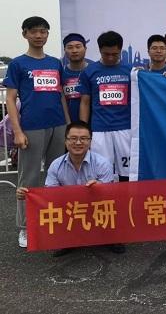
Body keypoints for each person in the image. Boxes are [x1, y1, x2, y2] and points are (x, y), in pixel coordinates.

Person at [5, 16, 70, 248]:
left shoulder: (55, 63)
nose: (39, 35)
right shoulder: (18, 64)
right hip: (32, 127)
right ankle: (25, 227)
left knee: (58, 176)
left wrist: (69, 126)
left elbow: (61, 95)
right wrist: (17, 131)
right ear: (25, 34)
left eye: (43, 31)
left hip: (58, 125)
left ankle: (56, 221)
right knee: (29, 178)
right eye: (34, 31)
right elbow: (10, 99)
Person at [16, 121, 124, 255]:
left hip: (97, 208)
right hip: (72, 210)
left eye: (83, 139)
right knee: (54, 210)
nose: (78, 142)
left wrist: (101, 188)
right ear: (65, 141)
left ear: (90, 142)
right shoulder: (56, 165)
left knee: (114, 206)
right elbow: (50, 195)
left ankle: (111, 238)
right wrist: (29, 195)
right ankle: (68, 240)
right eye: (73, 138)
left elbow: (112, 194)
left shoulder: (102, 163)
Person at [79, 31, 133, 182]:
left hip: (125, 128)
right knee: (102, 173)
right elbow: (85, 102)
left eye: (114, 54)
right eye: (106, 54)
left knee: (128, 173)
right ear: (99, 50)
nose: (110, 58)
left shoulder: (131, 71)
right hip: (99, 130)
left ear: (121, 50)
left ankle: (128, 196)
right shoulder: (89, 72)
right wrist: (83, 129)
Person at [62, 33, 88, 123]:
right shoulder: (61, 72)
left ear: (85, 48)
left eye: (78, 47)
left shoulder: (93, 71)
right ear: (64, 50)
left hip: (93, 125)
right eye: (70, 47)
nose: (74, 50)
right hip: (67, 124)